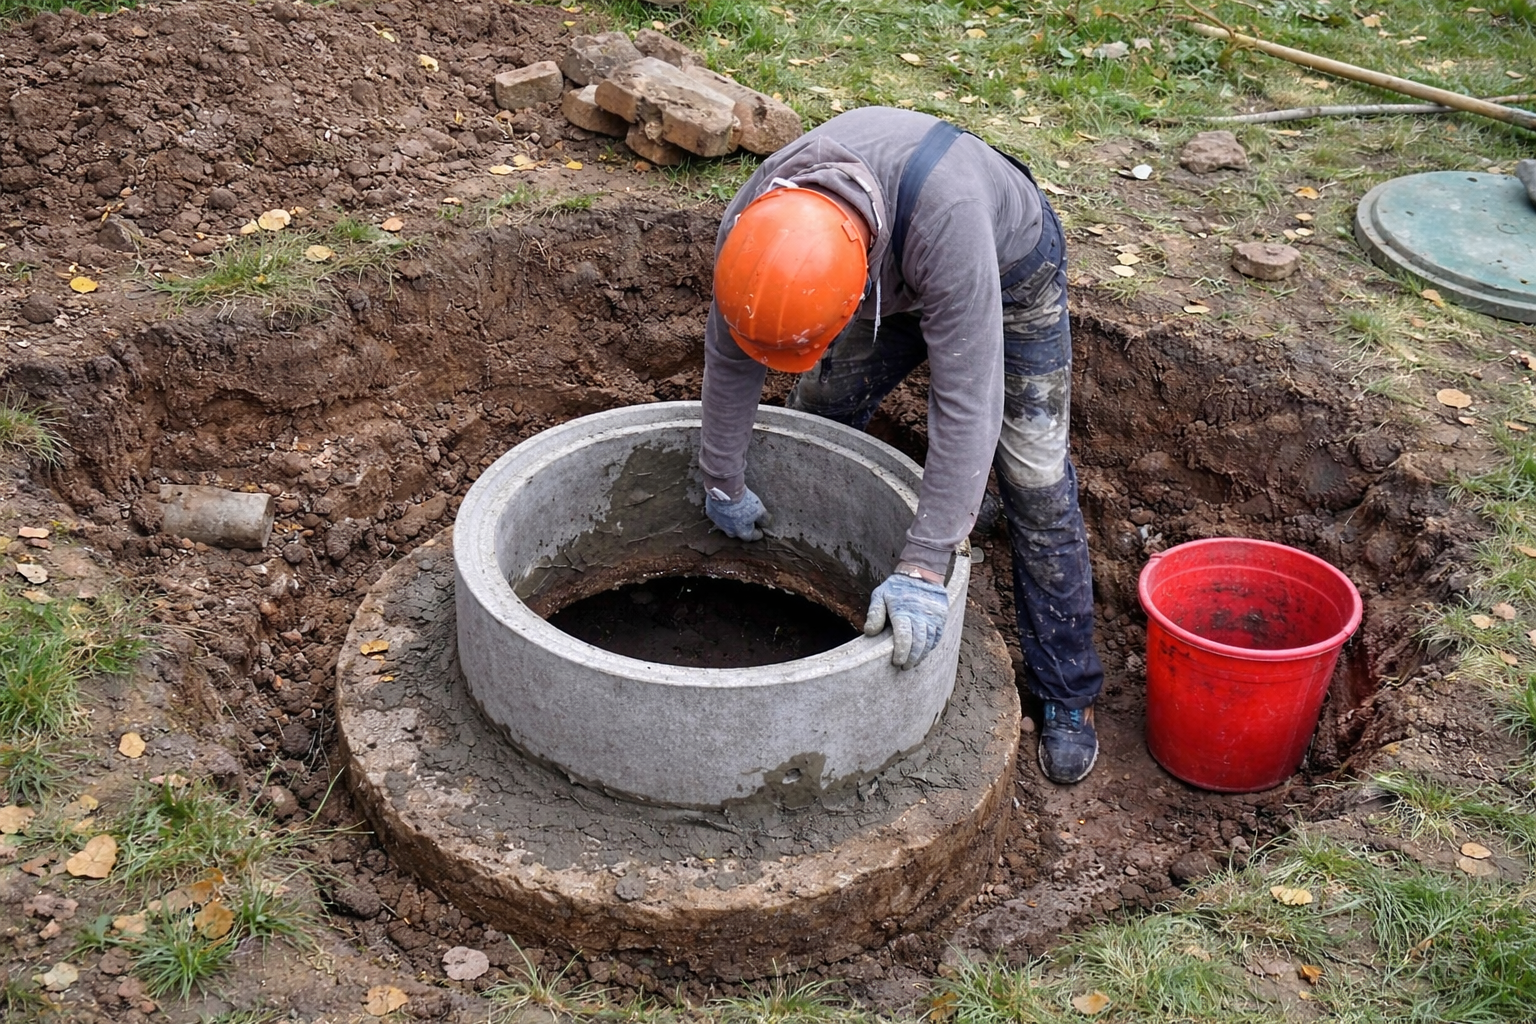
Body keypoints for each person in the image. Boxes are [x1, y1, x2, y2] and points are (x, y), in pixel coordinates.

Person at [698, 106, 1105, 785]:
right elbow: (732, 348)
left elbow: (967, 405)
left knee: (1032, 478)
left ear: (858, 286)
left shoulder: (949, 231)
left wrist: (923, 566)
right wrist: (721, 476)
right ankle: (886, 546)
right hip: (890, 253)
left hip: (1005, 270)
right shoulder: (761, 227)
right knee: (822, 410)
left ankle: (1068, 692)